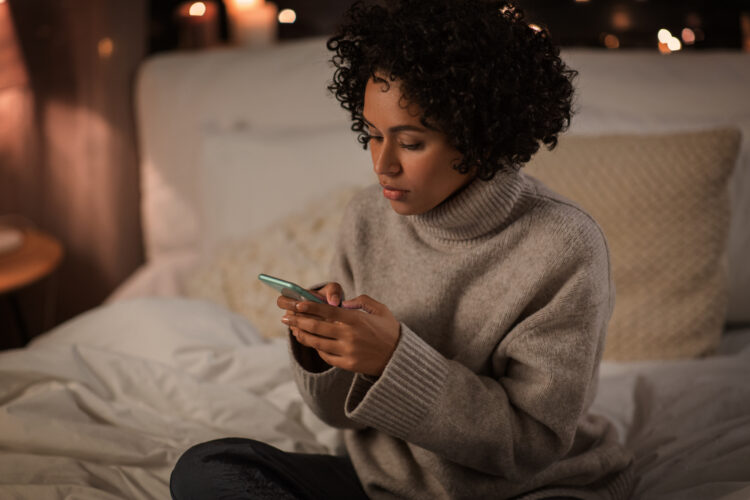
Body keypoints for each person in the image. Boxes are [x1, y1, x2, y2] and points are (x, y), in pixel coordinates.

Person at [169, 0, 635, 498]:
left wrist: (393, 359)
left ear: (479, 138)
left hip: (527, 490)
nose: (383, 165)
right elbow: (338, 418)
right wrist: (323, 351)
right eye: (371, 136)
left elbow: (532, 443)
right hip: (385, 485)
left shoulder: (564, 245)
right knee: (208, 468)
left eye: (410, 143)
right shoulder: (367, 217)